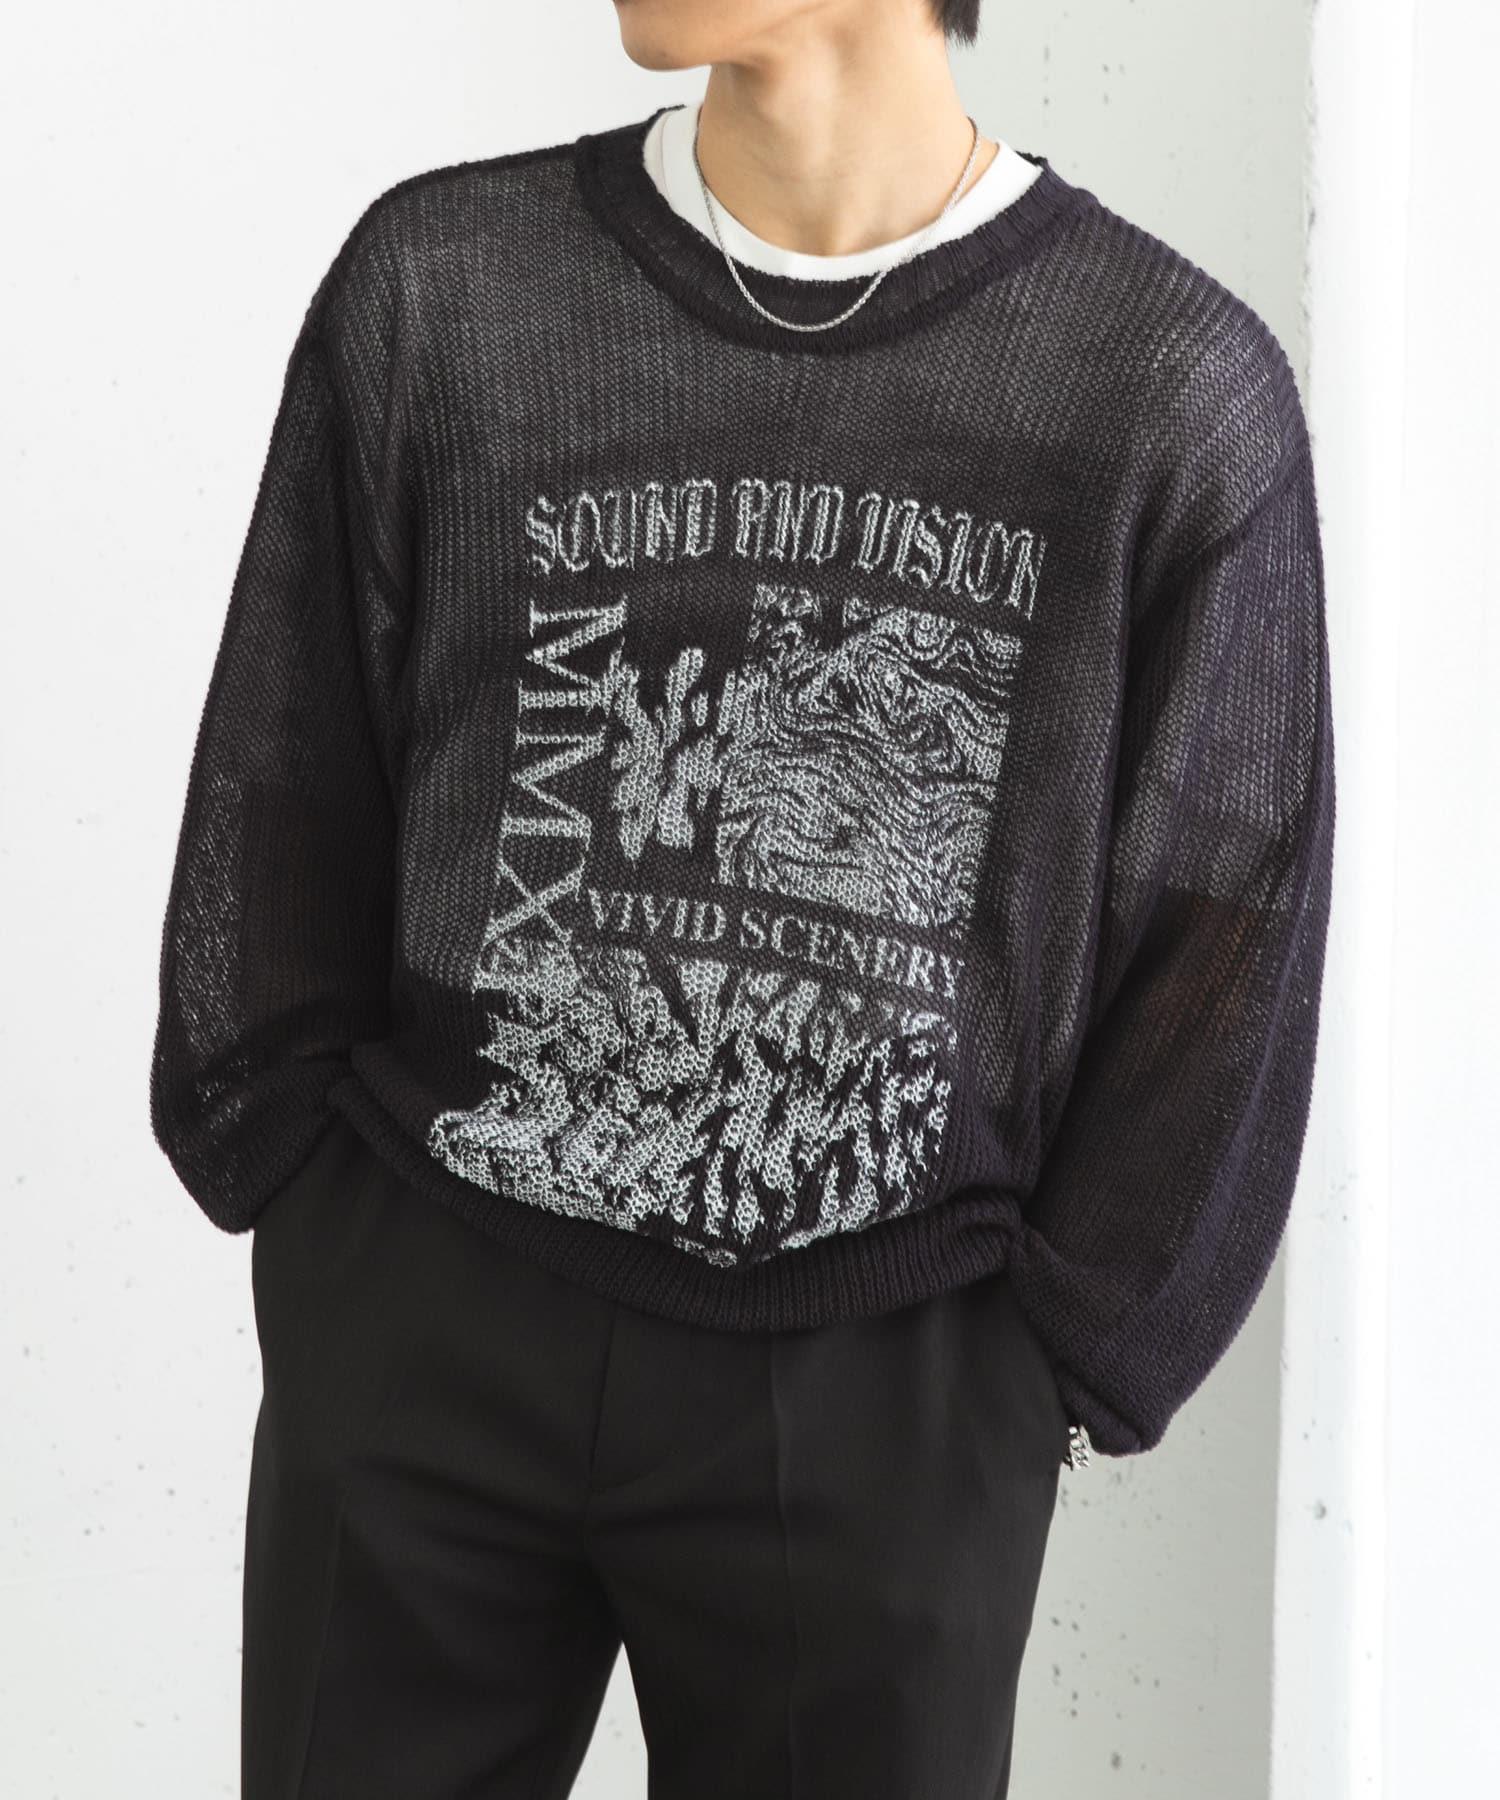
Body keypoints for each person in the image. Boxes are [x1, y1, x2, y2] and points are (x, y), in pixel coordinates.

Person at [148, 0, 1337, 1794]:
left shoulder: (1164, 388)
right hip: (429, 1302)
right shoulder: (446, 288)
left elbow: (1230, 902)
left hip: (883, 1379)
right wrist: (316, 1210)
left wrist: (1047, 1354)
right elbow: (287, 761)